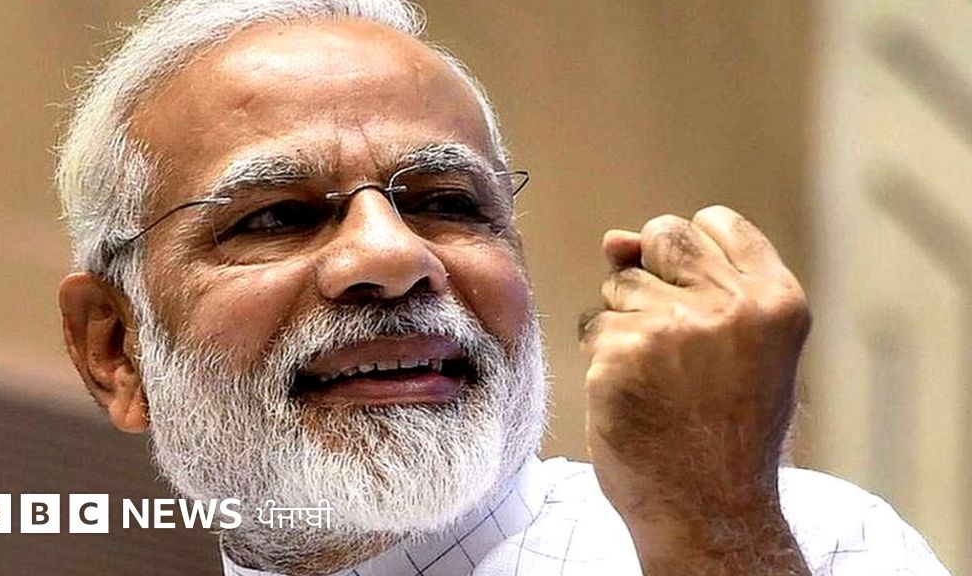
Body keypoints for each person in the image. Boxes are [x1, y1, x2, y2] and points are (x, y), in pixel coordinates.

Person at [54, 1, 951, 574]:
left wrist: (715, 530)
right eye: (277, 216)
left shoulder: (816, 543)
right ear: (115, 349)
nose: (392, 257)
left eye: (446, 202)